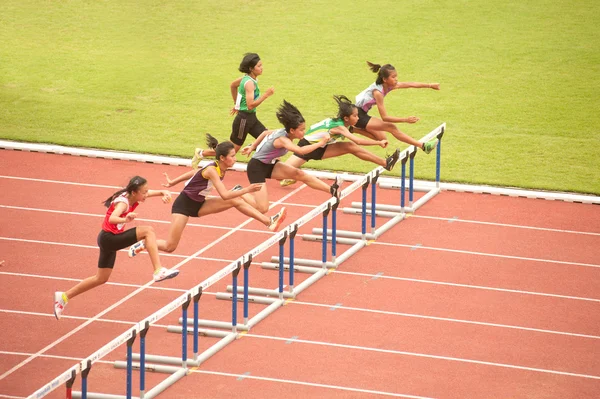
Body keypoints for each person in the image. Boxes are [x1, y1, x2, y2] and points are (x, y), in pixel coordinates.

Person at [129, 135, 287, 256]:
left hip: (200, 203)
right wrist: (248, 189)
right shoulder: (212, 170)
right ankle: (145, 244)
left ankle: (269, 222)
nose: (235, 158)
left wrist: (173, 182)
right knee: (170, 246)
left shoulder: (217, 167)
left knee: (236, 200)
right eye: (232, 156)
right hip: (184, 205)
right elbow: (224, 195)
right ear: (222, 158)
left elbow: (194, 172)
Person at [53, 177, 179, 320]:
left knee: (101, 278)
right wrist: (126, 219)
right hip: (109, 238)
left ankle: (64, 296)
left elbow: (149, 193)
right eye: (143, 192)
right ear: (134, 192)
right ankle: (158, 270)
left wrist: (163, 192)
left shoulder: (133, 195)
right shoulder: (123, 204)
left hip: (107, 239)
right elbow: (112, 218)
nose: (146, 195)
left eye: (145, 192)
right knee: (148, 231)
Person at [241, 100, 341, 214]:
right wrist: (321, 142)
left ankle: (332, 190)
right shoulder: (283, 140)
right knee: (262, 209)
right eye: (301, 130)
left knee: (300, 174)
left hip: (269, 164)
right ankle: (240, 191)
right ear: (292, 130)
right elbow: (300, 150)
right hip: (256, 168)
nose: (304, 132)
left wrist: (252, 146)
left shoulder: (283, 131)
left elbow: (265, 133)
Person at [280, 95, 401, 187]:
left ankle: (386, 163)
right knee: (280, 173)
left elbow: (364, 133)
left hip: (321, 147)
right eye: (355, 116)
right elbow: (358, 141)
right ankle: (288, 173)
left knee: (349, 146)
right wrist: (378, 143)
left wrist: (380, 138)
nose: (358, 118)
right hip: (307, 147)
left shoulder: (346, 125)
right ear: (346, 118)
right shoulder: (340, 127)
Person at [191, 53, 274, 168]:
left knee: (268, 138)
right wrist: (265, 95)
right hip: (243, 120)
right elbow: (250, 105)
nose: (262, 68)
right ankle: (201, 153)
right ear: (251, 68)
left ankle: (271, 163)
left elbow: (233, 85)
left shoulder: (248, 79)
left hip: (251, 118)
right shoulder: (249, 83)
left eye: (261, 65)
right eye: (259, 66)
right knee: (231, 151)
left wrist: (237, 104)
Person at [353, 61, 440, 153]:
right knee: (391, 127)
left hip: (362, 113)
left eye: (396, 76)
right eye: (393, 77)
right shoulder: (377, 93)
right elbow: (385, 118)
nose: (396, 79)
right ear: (385, 79)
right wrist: (405, 120)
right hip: (358, 115)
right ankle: (423, 146)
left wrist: (430, 85)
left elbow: (411, 84)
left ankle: (352, 129)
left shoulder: (390, 85)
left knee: (382, 139)